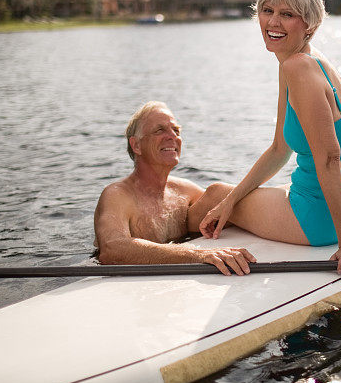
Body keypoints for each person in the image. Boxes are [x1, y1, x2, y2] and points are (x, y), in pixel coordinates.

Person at [199, 0, 341, 275]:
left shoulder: (298, 68)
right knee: (223, 199)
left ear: (309, 23)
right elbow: (280, 148)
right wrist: (231, 201)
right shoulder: (306, 61)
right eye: (267, 10)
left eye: (287, 14)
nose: (273, 22)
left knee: (211, 195)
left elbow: (330, 157)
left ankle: (158, 247)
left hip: (322, 219)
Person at [94, 101, 256, 275]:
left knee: (219, 192)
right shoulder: (118, 195)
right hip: (127, 286)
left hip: (171, 278)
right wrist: (197, 255)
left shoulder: (184, 192)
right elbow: (113, 250)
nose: (173, 136)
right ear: (136, 145)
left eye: (176, 131)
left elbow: (222, 208)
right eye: (159, 130)